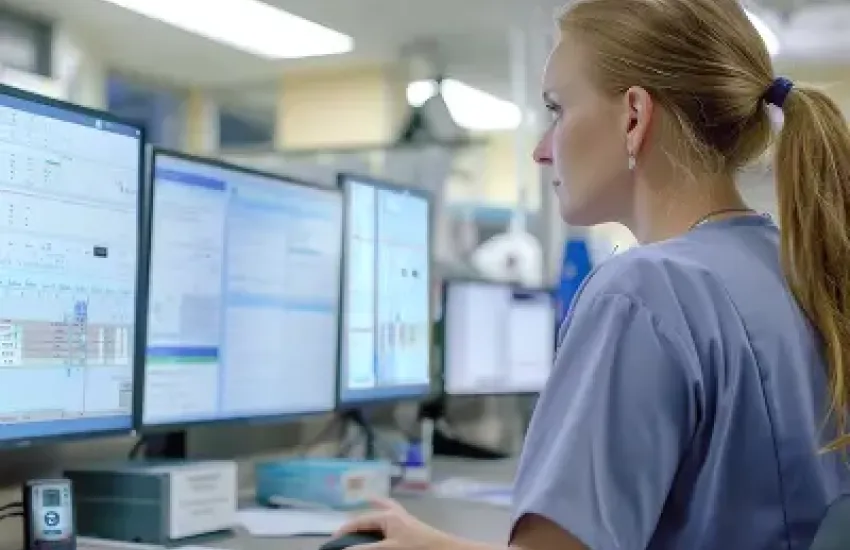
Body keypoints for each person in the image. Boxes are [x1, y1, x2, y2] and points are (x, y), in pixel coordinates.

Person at [337, 0, 850, 548]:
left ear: (634, 116)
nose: (540, 151)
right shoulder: (798, 268)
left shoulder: (643, 294)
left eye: (557, 110)